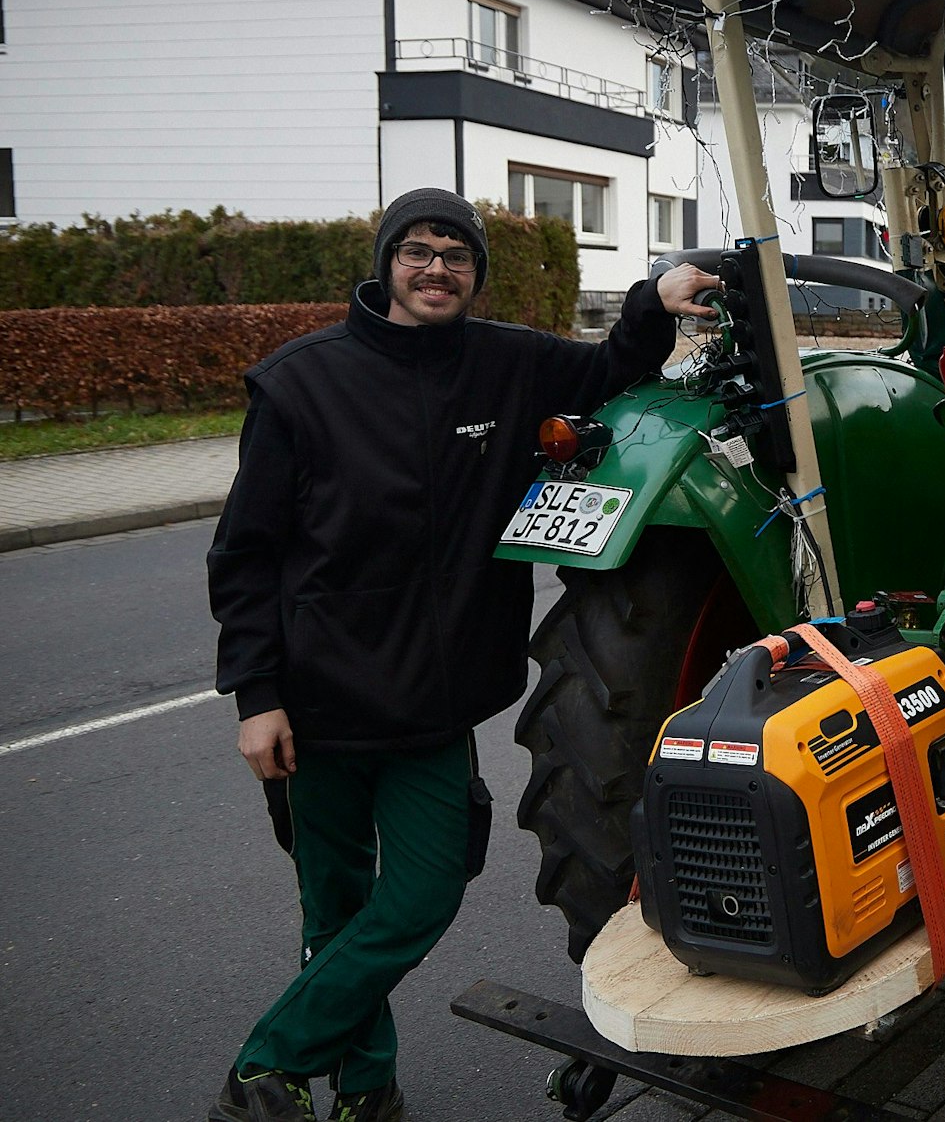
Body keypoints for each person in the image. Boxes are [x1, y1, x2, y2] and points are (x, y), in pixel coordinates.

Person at [206, 187, 717, 1122]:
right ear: (386, 264)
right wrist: (256, 696)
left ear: (475, 274)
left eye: (455, 253)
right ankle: (366, 1088)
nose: (436, 267)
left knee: (421, 896)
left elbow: (610, 363)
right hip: (316, 711)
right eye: (417, 250)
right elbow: (245, 555)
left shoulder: (507, 365)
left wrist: (657, 294)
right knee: (334, 913)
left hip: (430, 710)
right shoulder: (299, 383)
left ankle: (266, 1063)